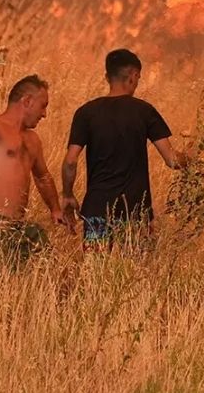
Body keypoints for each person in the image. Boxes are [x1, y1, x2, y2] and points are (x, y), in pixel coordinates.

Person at [61, 48, 188, 249]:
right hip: (135, 211)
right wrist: (194, 157)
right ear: (133, 76)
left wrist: (67, 194)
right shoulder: (145, 111)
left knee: (95, 270)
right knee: (134, 271)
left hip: (97, 209)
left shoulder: (85, 113)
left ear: (107, 77)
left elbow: (70, 161)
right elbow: (172, 160)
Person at [0, 57, 64, 269]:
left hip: (19, 227)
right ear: (27, 101)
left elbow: (43, 176)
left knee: (52, 272)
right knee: (0, 286)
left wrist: (55, 209)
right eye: (43, 106)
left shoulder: (33, 140)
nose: (45, 114)